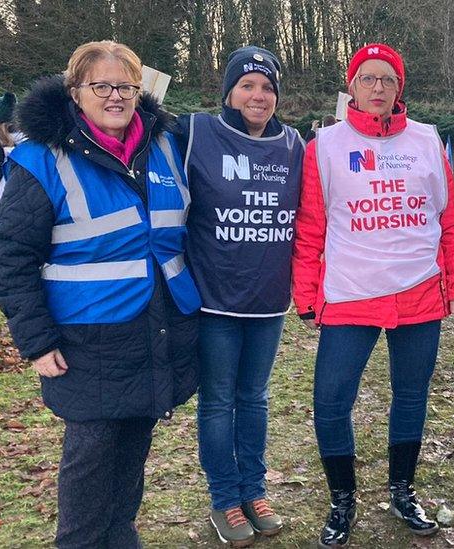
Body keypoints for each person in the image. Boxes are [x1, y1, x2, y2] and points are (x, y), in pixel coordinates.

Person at [0, 40, 200, 548]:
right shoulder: (42, 160)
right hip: (85, 341)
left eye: (125, 85)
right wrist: (35, 342)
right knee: (89, 464)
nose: (114, 96)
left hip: (154, 329)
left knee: (131, 456)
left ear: (139, 90)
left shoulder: (164, 146)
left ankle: (121, 536)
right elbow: (11, 257)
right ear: (75, 91)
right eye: (100, 85)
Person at [292, 43, 454, 548]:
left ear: (399, 89)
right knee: (330, 401)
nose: (377, 88)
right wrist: (306, 294)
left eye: (387, 80)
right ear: (351, 85)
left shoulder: (427, 141)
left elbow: (450, 221)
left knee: (411, 397)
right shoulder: (324, 146)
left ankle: (402, 489)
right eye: (367, 79)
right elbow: (310, 227)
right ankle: (342, 499)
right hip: (351, 295)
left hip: (419, 293)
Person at [173, 45, 303, 547]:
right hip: (214, 300)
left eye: (267, 87)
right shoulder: (196, 132)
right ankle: (225, 498)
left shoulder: (294, 145)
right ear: (229, 91)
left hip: (269, 301)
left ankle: (254, 489)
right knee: (218, 400)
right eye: (247, 85)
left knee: (255, 398)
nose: (258, 95)